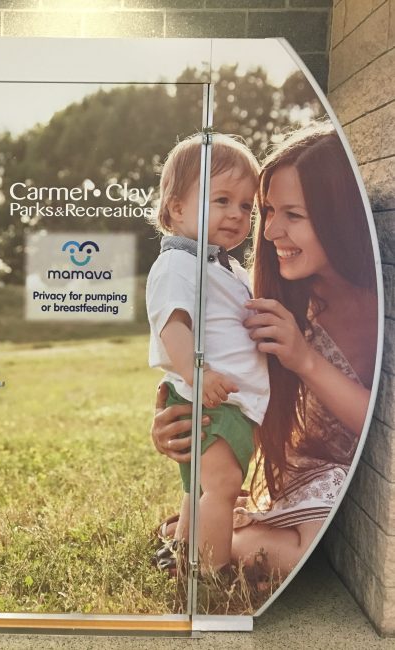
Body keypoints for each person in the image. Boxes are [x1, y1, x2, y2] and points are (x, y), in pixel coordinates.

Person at [151, 122, 378, 577]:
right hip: (310, 477)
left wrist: (305, 359)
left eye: (293, 214)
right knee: (312, 554)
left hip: (362, 477)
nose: (270, 229)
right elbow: (195, 344)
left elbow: (380, 427)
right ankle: (207, 537)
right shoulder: (268, 297)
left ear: (340, 216)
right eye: (268, 209)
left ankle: (212, 534)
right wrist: (172, 419)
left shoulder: (379, 300)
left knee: (343, 552)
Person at [146, 133, 269, 570]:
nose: (237, 214)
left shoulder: (223, 265)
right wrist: (199, 375)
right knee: (221, 485)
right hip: (211, 397)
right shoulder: (178, 264)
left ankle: (181, 549)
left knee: (200, 486)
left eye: (245, 206)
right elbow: (172, 326)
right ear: (177, 208)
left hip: (227, 399)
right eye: (222, 200)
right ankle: (209, 571)